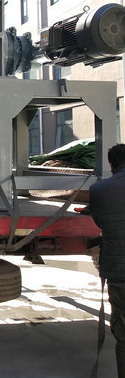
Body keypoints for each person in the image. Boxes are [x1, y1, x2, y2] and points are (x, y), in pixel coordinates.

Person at [90, 144, 125, 377]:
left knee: (123, 334)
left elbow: (100, 222)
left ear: (111, 165)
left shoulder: (99, 190)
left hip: (119, 270)